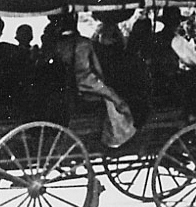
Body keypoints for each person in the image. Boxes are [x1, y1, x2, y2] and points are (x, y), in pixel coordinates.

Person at [50, 9, 135, 148]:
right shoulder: (84, 43)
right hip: (87, 84)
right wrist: (104, 84)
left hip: (68, 87)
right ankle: (118, 135)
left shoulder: (58, 44)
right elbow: (95, 69)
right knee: (116, 100)